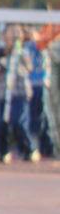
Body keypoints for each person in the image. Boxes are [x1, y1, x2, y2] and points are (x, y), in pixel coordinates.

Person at [0, 25, 38, 163]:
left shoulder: (23, 52)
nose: (15, 35)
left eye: (17, 32)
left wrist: (18, 56)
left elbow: (29, 67)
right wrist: (5, 60)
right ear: (5, 35)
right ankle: (2, 151)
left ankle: (28, 149)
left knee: (18, 122)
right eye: (12, 32)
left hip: (20, 93)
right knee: (2, 124)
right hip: (3, 94)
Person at [28, 24, 60, 158]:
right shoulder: (47, 25)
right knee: (52, 109)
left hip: (52, 50)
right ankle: (56, 147)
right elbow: (40, 43)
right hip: (50, 57)